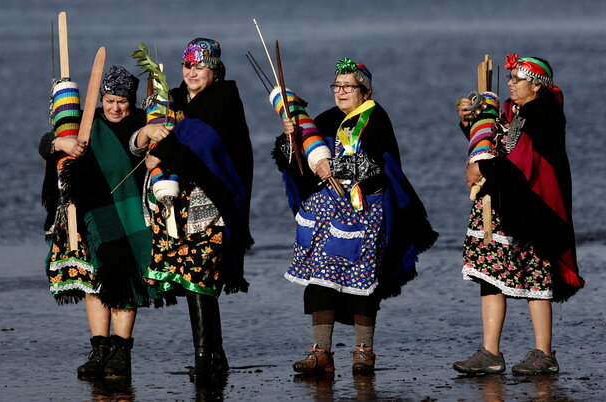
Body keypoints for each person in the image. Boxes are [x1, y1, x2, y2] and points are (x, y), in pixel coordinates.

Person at [270, 57, 437, 375]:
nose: (341, 91)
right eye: (337, 85)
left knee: (362, 281)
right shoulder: (327, 118)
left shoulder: (376, 119)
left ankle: (363, 351)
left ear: (366, 90)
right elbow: (300, 164)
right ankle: (320, 352)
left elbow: (375, 165)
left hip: (365, 211)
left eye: (348, 86)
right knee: (320, 279)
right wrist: (289, 139)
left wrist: (332, 166)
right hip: (325, 212)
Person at [453, 54, 584, 375]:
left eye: (516, 79)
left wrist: (482, 167)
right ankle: (490, 352)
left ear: (536, 84)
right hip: (499, 203)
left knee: (535, 276)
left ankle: (544, 352)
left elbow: (524, 160)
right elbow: (495, 143)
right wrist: (472, 121)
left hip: (531, 208)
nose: (509, 84)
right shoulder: (515, 111)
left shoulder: (545, 115)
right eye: (509, 78)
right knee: (490, 275)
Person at [134, 38, 253, 380]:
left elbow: (205, 144)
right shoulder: (172, 100)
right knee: (190, 278)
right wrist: (145, 134)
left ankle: (205, 359)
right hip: (178, 204)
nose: (192, 73)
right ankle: (214, 355)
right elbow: (141, 142)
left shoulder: (224, 99)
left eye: (200, 67)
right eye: (187, 66)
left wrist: (164, 151)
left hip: (211, 202)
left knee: (200, 276)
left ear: (214, 69)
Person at [39, 65, 153, 379]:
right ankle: (100, 350)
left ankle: (121, 352)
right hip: (89, 215)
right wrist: (59, 144)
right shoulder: (87, 124)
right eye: (109, 100)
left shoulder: (143, 123)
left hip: (128, 213)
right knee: (94, 284)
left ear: (131, 101)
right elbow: (46, 143)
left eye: (122, 101)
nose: (115, 107)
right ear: (101, 98)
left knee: (126, 284)